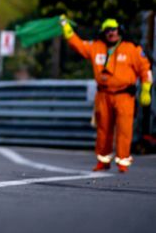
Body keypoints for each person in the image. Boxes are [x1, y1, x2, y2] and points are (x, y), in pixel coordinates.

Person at [61, 17, 153, 173]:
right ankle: (103, 160)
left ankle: (123, 162)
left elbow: (145, 69)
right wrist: (66, 29)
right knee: (103, 129)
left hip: (125, 96)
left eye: (114, 30)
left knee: (124, 129)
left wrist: (146, 88)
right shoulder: (96, 47)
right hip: (103, 95)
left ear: (119, 30)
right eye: (108, 30)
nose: (111, 33)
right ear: (103, 32)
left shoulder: (131, 48)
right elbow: (78, 45)